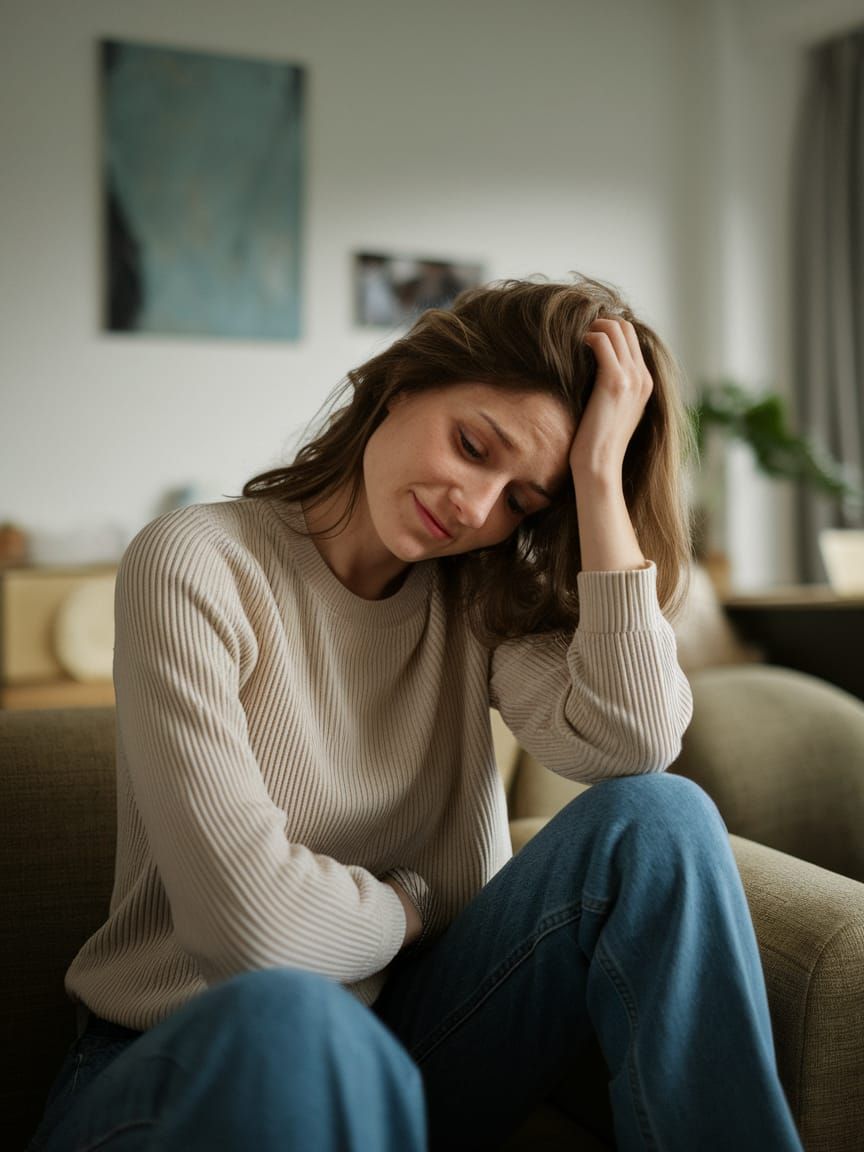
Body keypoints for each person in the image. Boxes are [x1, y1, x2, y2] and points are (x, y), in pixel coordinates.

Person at [27, 276, 804, 1152]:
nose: (474, 510)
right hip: (191, 1057)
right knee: (296, 1015)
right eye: (474, 446)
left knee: (663, 818)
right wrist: (411, 909)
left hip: (419, 1038)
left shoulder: (473, 593)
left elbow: (633, 743)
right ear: (404, 383)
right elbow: (252, 935)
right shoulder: (198, 564)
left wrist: (598, 484)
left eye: (521, 500)